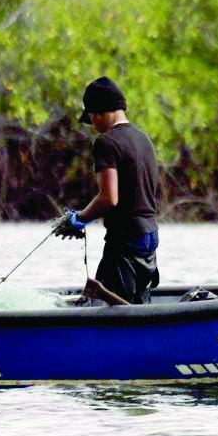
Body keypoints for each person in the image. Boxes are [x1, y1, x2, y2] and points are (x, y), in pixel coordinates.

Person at [54, 77, 160, 304]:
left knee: (108, 305)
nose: (92, 124)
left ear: (97, 112)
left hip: (125, 239)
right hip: (149, 236)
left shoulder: (106, 143)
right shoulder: (144, 139)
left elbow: (109, 198)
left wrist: (79, 219)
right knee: (135, 302)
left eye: (90, 117)